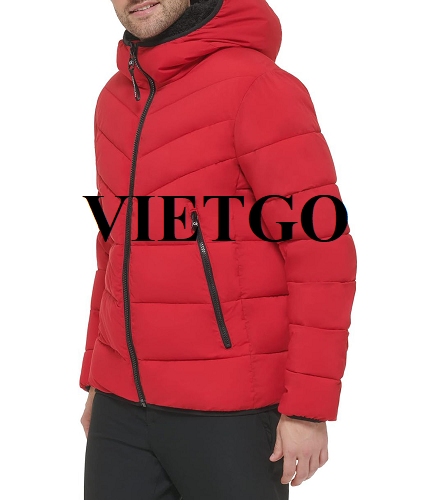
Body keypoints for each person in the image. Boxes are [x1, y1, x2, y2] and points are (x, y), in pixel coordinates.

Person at [79, 1, 357, 499]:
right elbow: (112, 248)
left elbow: (322, 254)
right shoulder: (115, 99)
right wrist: (97, 379)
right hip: (120, 411)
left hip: (231, 412)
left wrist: (307, 408)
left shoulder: (257, 86)